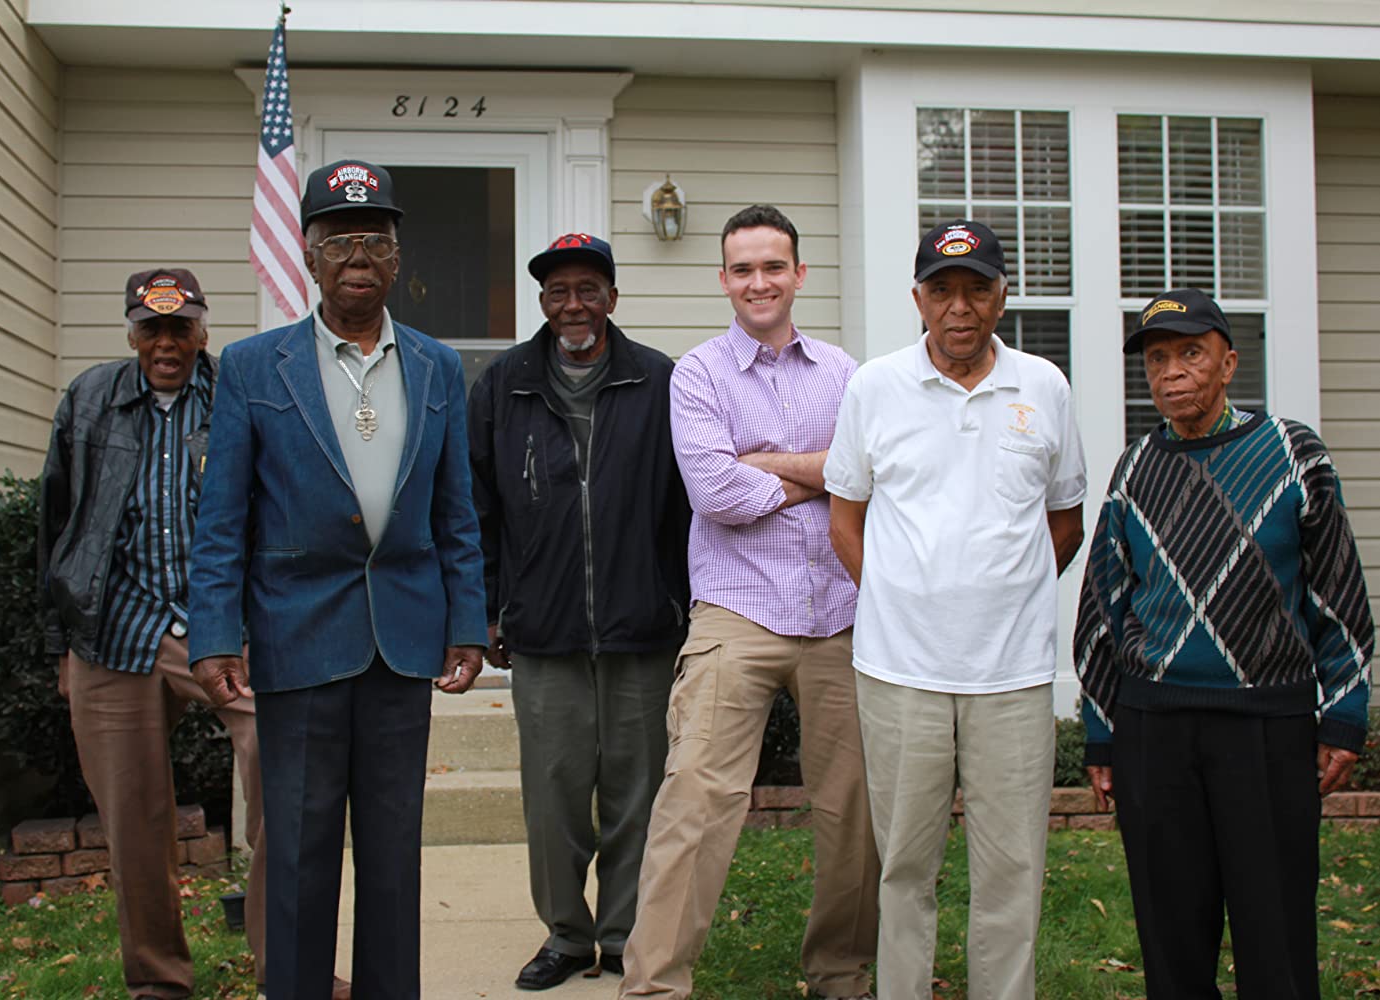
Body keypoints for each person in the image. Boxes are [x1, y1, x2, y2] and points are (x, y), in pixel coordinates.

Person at [187, 159, 487, 1000]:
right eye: (341, 240)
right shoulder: (254, 367)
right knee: (298, 851)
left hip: (403, 641)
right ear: (310, 255)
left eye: (376, 240)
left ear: (398, 259)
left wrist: (468, 623)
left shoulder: (437, 365)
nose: (360, 256)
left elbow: (456, 512)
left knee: (393, 852)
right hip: (297, 637)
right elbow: (222, 519)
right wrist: (214, 635)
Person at [1073, 287, 1374, 1000]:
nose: (1171, 372)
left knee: (1277, 937)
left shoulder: (1292, 453)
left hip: (1267, 727)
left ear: (1229, 363)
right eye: (1156, 359)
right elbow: (1103, 606)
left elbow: (1338, 591)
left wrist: (1344, 713)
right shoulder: (1135, 468)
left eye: (1190, 353)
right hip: (1154, 728)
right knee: (1172, 938)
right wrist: (1102, 734)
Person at [620, 205, 880, 1000]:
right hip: (738, 611)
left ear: (799, 274)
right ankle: (655, 987)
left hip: (839, 612)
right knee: (696, 799)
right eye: (743, 269)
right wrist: (816, 472)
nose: (758, 282)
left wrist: (767, 461)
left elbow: (862, 475)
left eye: (773, 267)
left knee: (855, 809)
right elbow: (717, 494)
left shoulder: (846, 374)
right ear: (723, 279)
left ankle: (839, 972)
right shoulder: (698, 375)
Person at [824, 219, 1087, 1000]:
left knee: (1013, 870)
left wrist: (1007, 593)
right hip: (900, 672)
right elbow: (844, 520)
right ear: (918, 299)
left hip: (1012, 675)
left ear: (1003, 297)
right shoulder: (875, 387)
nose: (959, 307)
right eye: (942, 290)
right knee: (905, 865)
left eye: (977, 289)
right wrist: (901, 599)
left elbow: (1065, 521)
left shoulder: (1044, 386)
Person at [38, 268, 269, 999]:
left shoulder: (239, 392)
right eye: (151, 329)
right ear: (132, 333)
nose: (166, 344)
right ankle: (159, 983)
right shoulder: (90, 399)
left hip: (225, 625)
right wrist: (61, 645)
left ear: (203, 330)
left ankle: (287, 965)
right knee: (135, 820)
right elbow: (57, 524)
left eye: (180, 328)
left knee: (284, 776)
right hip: (116, 628)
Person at [468, 233, 690, 990]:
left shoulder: (660, 381)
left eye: (588, 290)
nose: (574, 305)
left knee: (636, 797)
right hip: (543, 631)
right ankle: (566, 936)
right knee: (554, 800)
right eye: (559, 291)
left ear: (612, 299)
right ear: (542, 302)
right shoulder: (504, 387)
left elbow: (687, 507)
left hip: (643, 628)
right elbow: (477, 509)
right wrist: (486, 609)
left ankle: (625, 935)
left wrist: (680, 602)